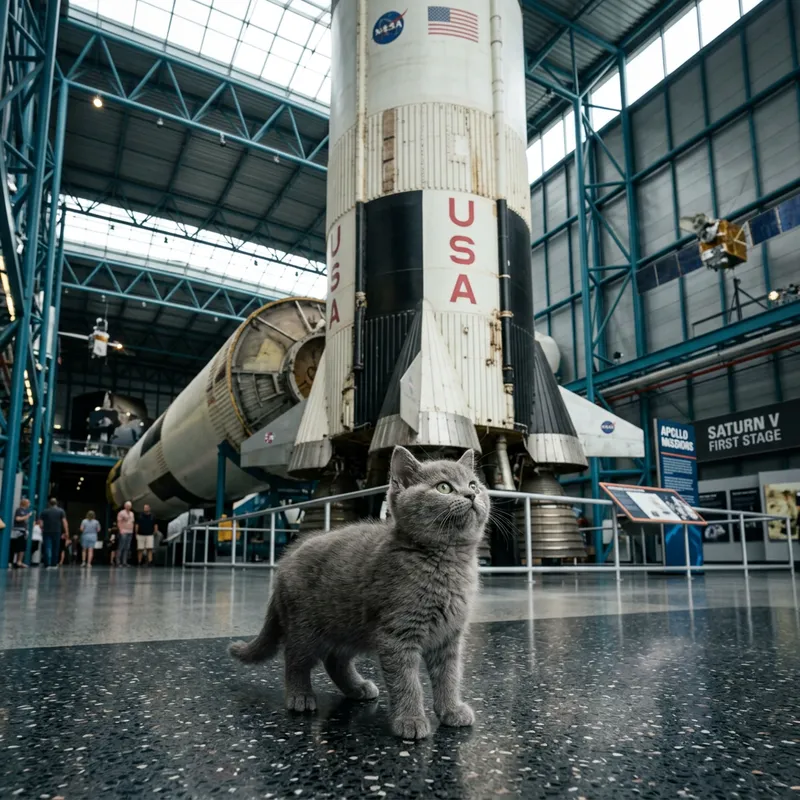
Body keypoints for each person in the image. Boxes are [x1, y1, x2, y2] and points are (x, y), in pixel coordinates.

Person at [40, 498, 68, 568]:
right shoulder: (61, 511)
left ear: (49, 503)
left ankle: (47, 564)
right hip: (57, 531)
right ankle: (54, 564)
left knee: (47, 547)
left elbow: (41, 523)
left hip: (46, 531)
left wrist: (42, 529)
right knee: (55, 548)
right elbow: (64, 522)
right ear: (56, 503)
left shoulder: (44, 511)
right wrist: (66, 532)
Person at [10, 498, 32, 569]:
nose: (29, 504)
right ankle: (16, 561)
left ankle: (19, 561)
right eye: (28, 503)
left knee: (22, 547)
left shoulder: (26, 511)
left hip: (24, 531)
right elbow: (18, 519)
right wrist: (27, 516)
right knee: (17, 546)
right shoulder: (19, 510)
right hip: (19, 531)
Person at [116, 501, 135, 567]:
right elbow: (119, 522)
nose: (128, 507)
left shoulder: (132, 513)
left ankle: (124, 562)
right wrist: (120, 530)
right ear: (125, 506)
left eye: (129, 506)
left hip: (130, 532)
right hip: (123, 531)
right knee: (121, 546)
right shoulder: (121, 513)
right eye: (127, 506)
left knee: (127, 547)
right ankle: (118, 562)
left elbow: (132, 522)